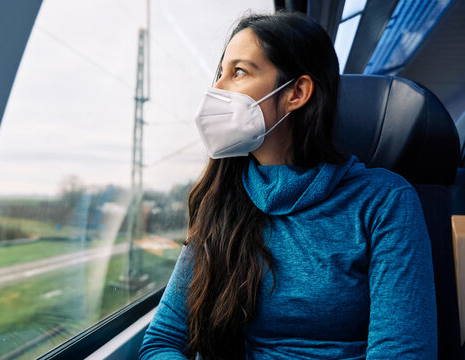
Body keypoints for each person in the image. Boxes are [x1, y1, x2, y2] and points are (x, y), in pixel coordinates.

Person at [139, 11, 437, 360]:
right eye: (220, 73)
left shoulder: (385, 201)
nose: (216, 90)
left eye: (239, 72)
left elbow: (401, 353)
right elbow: (161, 343)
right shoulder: (223, 201)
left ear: (297, 92)